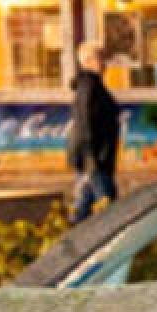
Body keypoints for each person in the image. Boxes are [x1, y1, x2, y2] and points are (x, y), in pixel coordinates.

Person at [67, 41, 121, 222]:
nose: (104, 64)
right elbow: (86, 122)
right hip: (96, 157)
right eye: (100, 59)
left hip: (94, 156)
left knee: (84, 204)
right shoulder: (90, 86)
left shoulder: (90, 85)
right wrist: (91, 157)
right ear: (88, 61)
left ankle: (70, 238)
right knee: (108, 206)